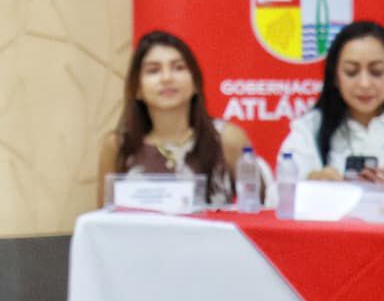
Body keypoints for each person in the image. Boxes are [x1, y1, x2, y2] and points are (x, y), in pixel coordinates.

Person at [98, 30, 265, 206]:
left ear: (195, 83)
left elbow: (258, 210)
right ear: (137, 88)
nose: (167, 78)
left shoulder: (227, 139)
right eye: (153, 71)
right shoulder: (118, 145)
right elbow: (102, 218)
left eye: (178, 67)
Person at [279, 20, 384, 182]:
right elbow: (282, 187)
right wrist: (313, 181)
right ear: (334, 76)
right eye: (351, 72)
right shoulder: (311, 128)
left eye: (377, 71)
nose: (364, 84)